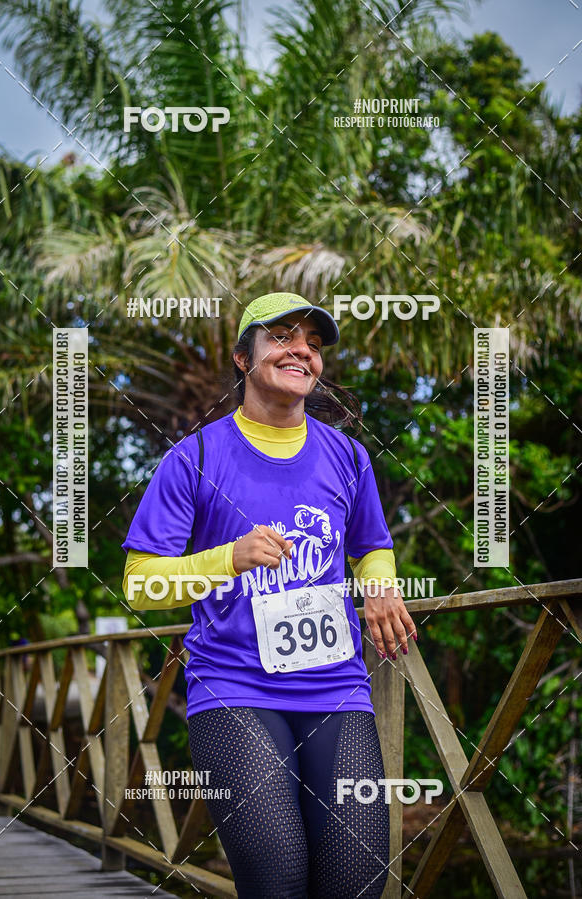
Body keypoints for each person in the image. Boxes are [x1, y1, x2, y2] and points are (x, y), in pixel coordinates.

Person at [122, 292, 418, 898]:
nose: (301, 351)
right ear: (241, 358)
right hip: (235, 689)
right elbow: (140, 584)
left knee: (358, 879)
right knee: (277, 878)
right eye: (282, 337)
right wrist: (227, 558)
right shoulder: (194, 458)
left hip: (338, 688)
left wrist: (382, 590)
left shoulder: (348, 456)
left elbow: (371, 547)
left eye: (312, 343)